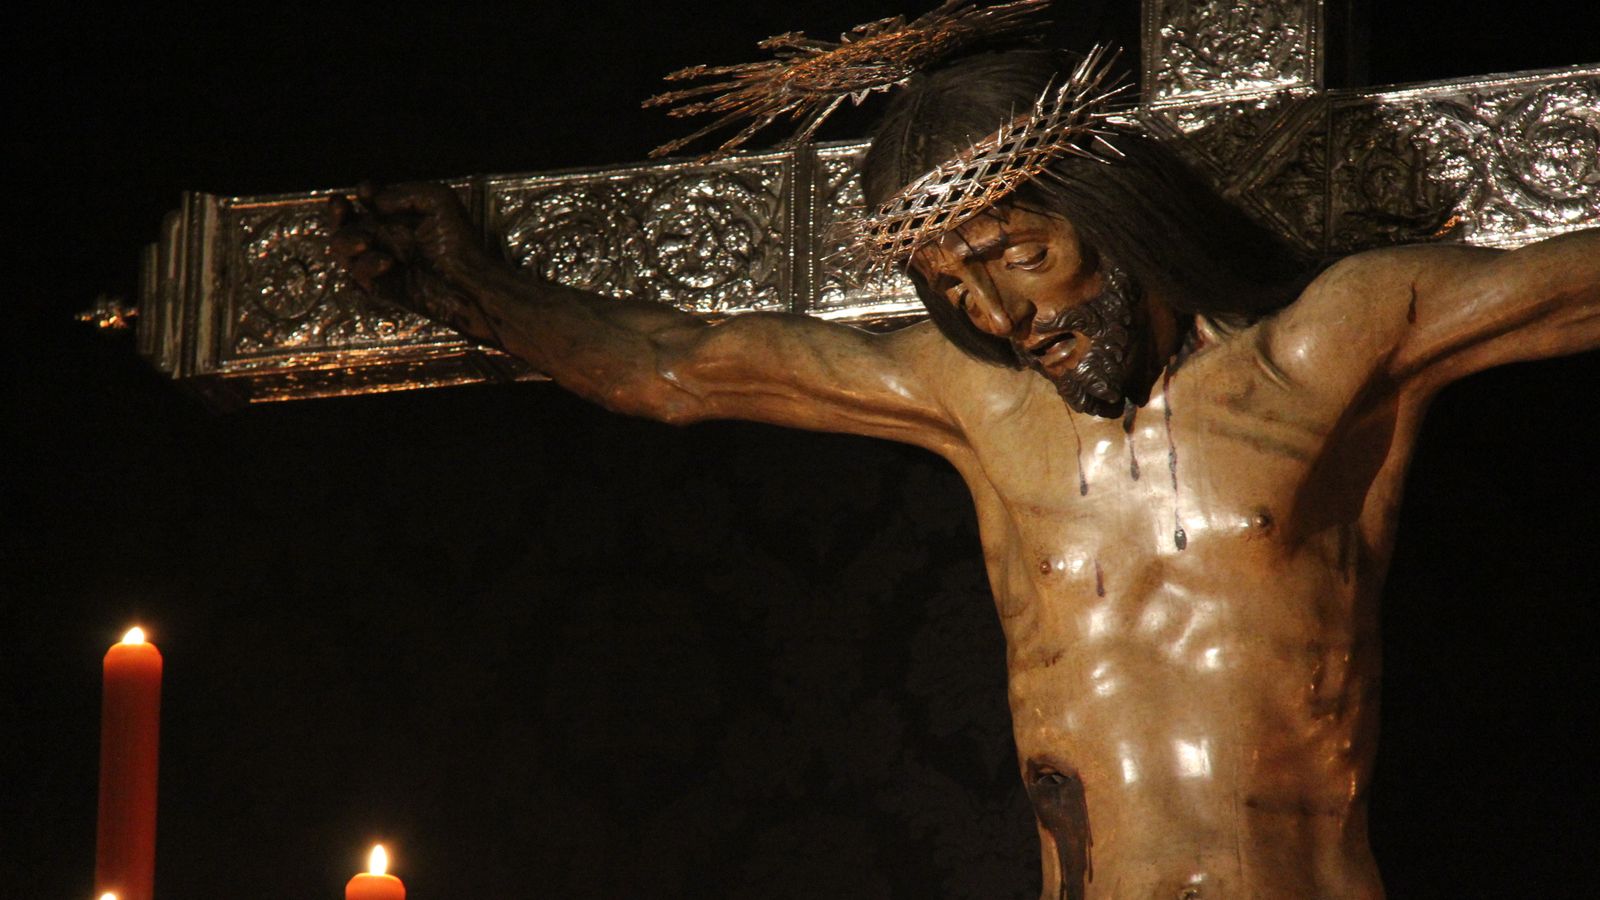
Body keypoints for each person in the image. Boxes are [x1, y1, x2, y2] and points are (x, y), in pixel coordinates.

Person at [329, 41, 1598, 900]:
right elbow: (679, 369)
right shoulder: (975, 400)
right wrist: (475, 287)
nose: (1000, 316)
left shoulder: (1333, 348)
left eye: (1019, 256)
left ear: (1109, 212)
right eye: (953, 286)